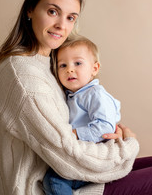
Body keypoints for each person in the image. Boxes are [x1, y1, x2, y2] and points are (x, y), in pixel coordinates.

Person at [0, 0, 152, 195]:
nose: (61, 25)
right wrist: (127, 146)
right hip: (50, 187)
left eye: (70, 17)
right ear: (30, 9)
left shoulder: (50, 64)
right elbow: (68, 154)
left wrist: (106, 136)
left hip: (68, 177)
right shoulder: (23, 76)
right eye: (52, 12)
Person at [43, 35, 123, 194]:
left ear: (94, 68)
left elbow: (105, 128)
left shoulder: (95, 94)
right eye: (63, 65)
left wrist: (73, 133)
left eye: (78, 63)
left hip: (96, 158)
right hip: (81, 155)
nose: (69, 69)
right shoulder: (73, 95)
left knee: (54, 179)